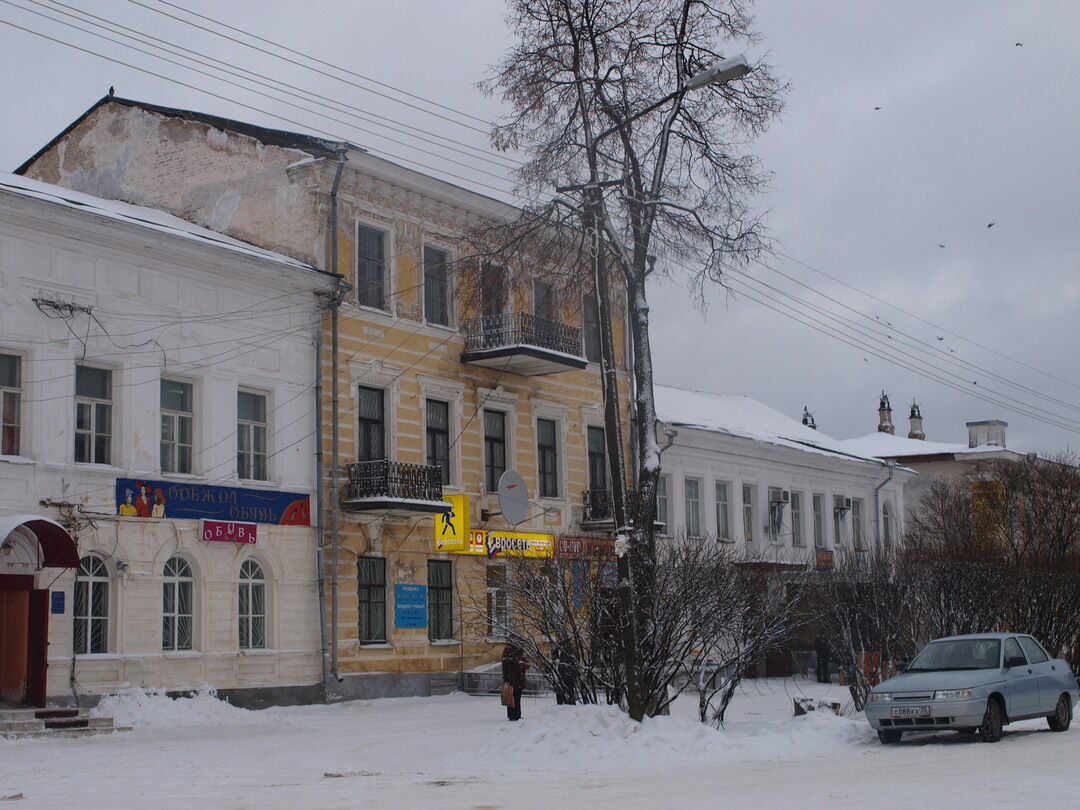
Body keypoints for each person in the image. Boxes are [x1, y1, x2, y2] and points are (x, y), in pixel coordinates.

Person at [501, 640, 528, 721]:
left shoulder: (508, 654)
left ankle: (513, 715)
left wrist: (506, 678)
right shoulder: (514, 654)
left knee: (512, 698)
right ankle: (516, 715)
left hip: (512, 680)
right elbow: (514, 667)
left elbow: (505, 668)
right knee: (515, 698)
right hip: (515, 680)